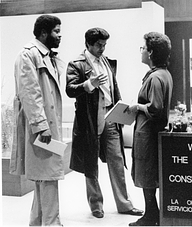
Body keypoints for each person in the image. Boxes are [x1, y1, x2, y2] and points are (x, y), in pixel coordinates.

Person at [65, 27, 143, 219]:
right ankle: (96, 205)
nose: (103, 48)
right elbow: (70, 89)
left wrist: (121, 110)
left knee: (117, 159)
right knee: (90, 163)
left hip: (110, 114)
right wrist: (89, 84)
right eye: (99, 45)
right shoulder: (76, 64)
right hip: (90, 119)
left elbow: (113, 88)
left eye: (104, 44)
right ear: (88, 44)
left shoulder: (107, 61)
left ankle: (124, 204)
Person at [9, 14, 64, 226]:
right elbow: (30, 92)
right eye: (56, 32)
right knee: (48, 176)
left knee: (45, 175)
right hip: (41, 127)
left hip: (46, 125)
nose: (60, 36)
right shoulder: (28, 55)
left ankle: (38, 221)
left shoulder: (46, 55)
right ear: (43, 33)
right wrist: (41, 126)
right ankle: (51, 223)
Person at [127, 32, 173, 226]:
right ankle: (152, 213)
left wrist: (137, 107)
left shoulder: (155, 78)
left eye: (143, 48)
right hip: (152, 133)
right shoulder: (164, 74)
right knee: (150, 173)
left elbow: (155, 108)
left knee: (147, 174)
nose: (142, 51)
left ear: (152, 52)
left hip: (147, 133)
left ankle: (151, 216)